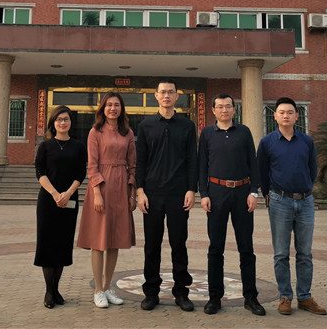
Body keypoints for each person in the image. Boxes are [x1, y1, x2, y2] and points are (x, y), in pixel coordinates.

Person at [257, 97, 326, 316]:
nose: (285, 115)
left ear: (297, 116)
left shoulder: (306, 142)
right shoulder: (267, 142)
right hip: (280, 201)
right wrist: (268, 194)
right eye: (281, 112)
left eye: (289, 112)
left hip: (305, 202)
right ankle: (285, 296)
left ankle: (304, 297)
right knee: (281, 253)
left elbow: (312, 169)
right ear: (275, 116)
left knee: (305, 253)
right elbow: (262, 172)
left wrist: (304, 189)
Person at [198, 94, 266, 316]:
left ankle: (251, 297)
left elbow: (253, 163)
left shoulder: (244, 132)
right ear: (213, 110)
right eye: (220, 106)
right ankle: (214, 298)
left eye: (228, 106)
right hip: (216, 193)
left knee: (246, 247)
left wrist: (253, 192)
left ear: (234, 110)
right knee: (215, 248)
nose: (224, 110)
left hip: (242, 193)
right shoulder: (207, 133)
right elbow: (201, 166)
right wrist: (204, 194)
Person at [135, 78, 198, 312]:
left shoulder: (187, 126)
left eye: (171, 92)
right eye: (162, 92)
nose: (166, 96)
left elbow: (192, 159)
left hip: (178, 194)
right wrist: (140, 191)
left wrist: (191, 189)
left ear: (177, 96)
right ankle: (151, 292)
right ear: (156, 95)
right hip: (152, 194)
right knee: (151, 246)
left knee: (178, 244)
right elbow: (140, 161)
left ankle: (181, 292)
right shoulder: (146, 125)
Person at [77, 92, 137, 308]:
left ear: (122, 109)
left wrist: (132, 193)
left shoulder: (128, 133)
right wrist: (97, 193)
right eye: (109, 105)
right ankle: (98, 290)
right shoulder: (95, 132)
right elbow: (92, 166)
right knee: (99, 240)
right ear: (103, 108)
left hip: (121, 187)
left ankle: (108, 286)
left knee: (115, 240)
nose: (113, 108)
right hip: (101, 187)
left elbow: (133, 165)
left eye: (117, 105)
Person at [34, 105, 87, 309]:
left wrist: (68, 193)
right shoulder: (45, 146)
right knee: (47, 244)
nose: (62, 122)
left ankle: (56, 289)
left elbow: (80, 173)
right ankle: (49, 291)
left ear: (71, 122)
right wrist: (56, 194)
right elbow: (40, 172)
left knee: (62, 245)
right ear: (53, 123)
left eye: (66, 119)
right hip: (48, 201)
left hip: (70, 200)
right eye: (59, 119)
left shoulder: (78, 146)